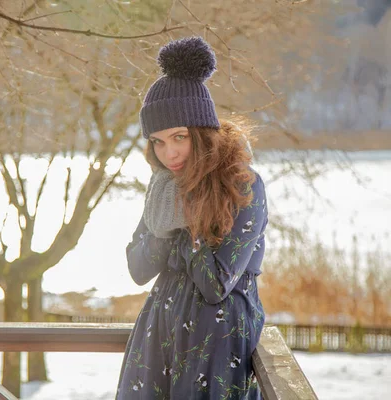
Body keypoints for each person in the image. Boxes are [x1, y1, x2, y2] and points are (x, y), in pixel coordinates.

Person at [116, 37, 268, 399]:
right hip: (159, 336)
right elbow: (139, 269)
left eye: (178, 137)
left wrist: (189, 222)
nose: (169, 153)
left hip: (216, 343)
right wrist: (165, 223)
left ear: (201, 132)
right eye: (157, 141)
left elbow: (215, 286)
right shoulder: (163, 189)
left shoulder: (243, 186)